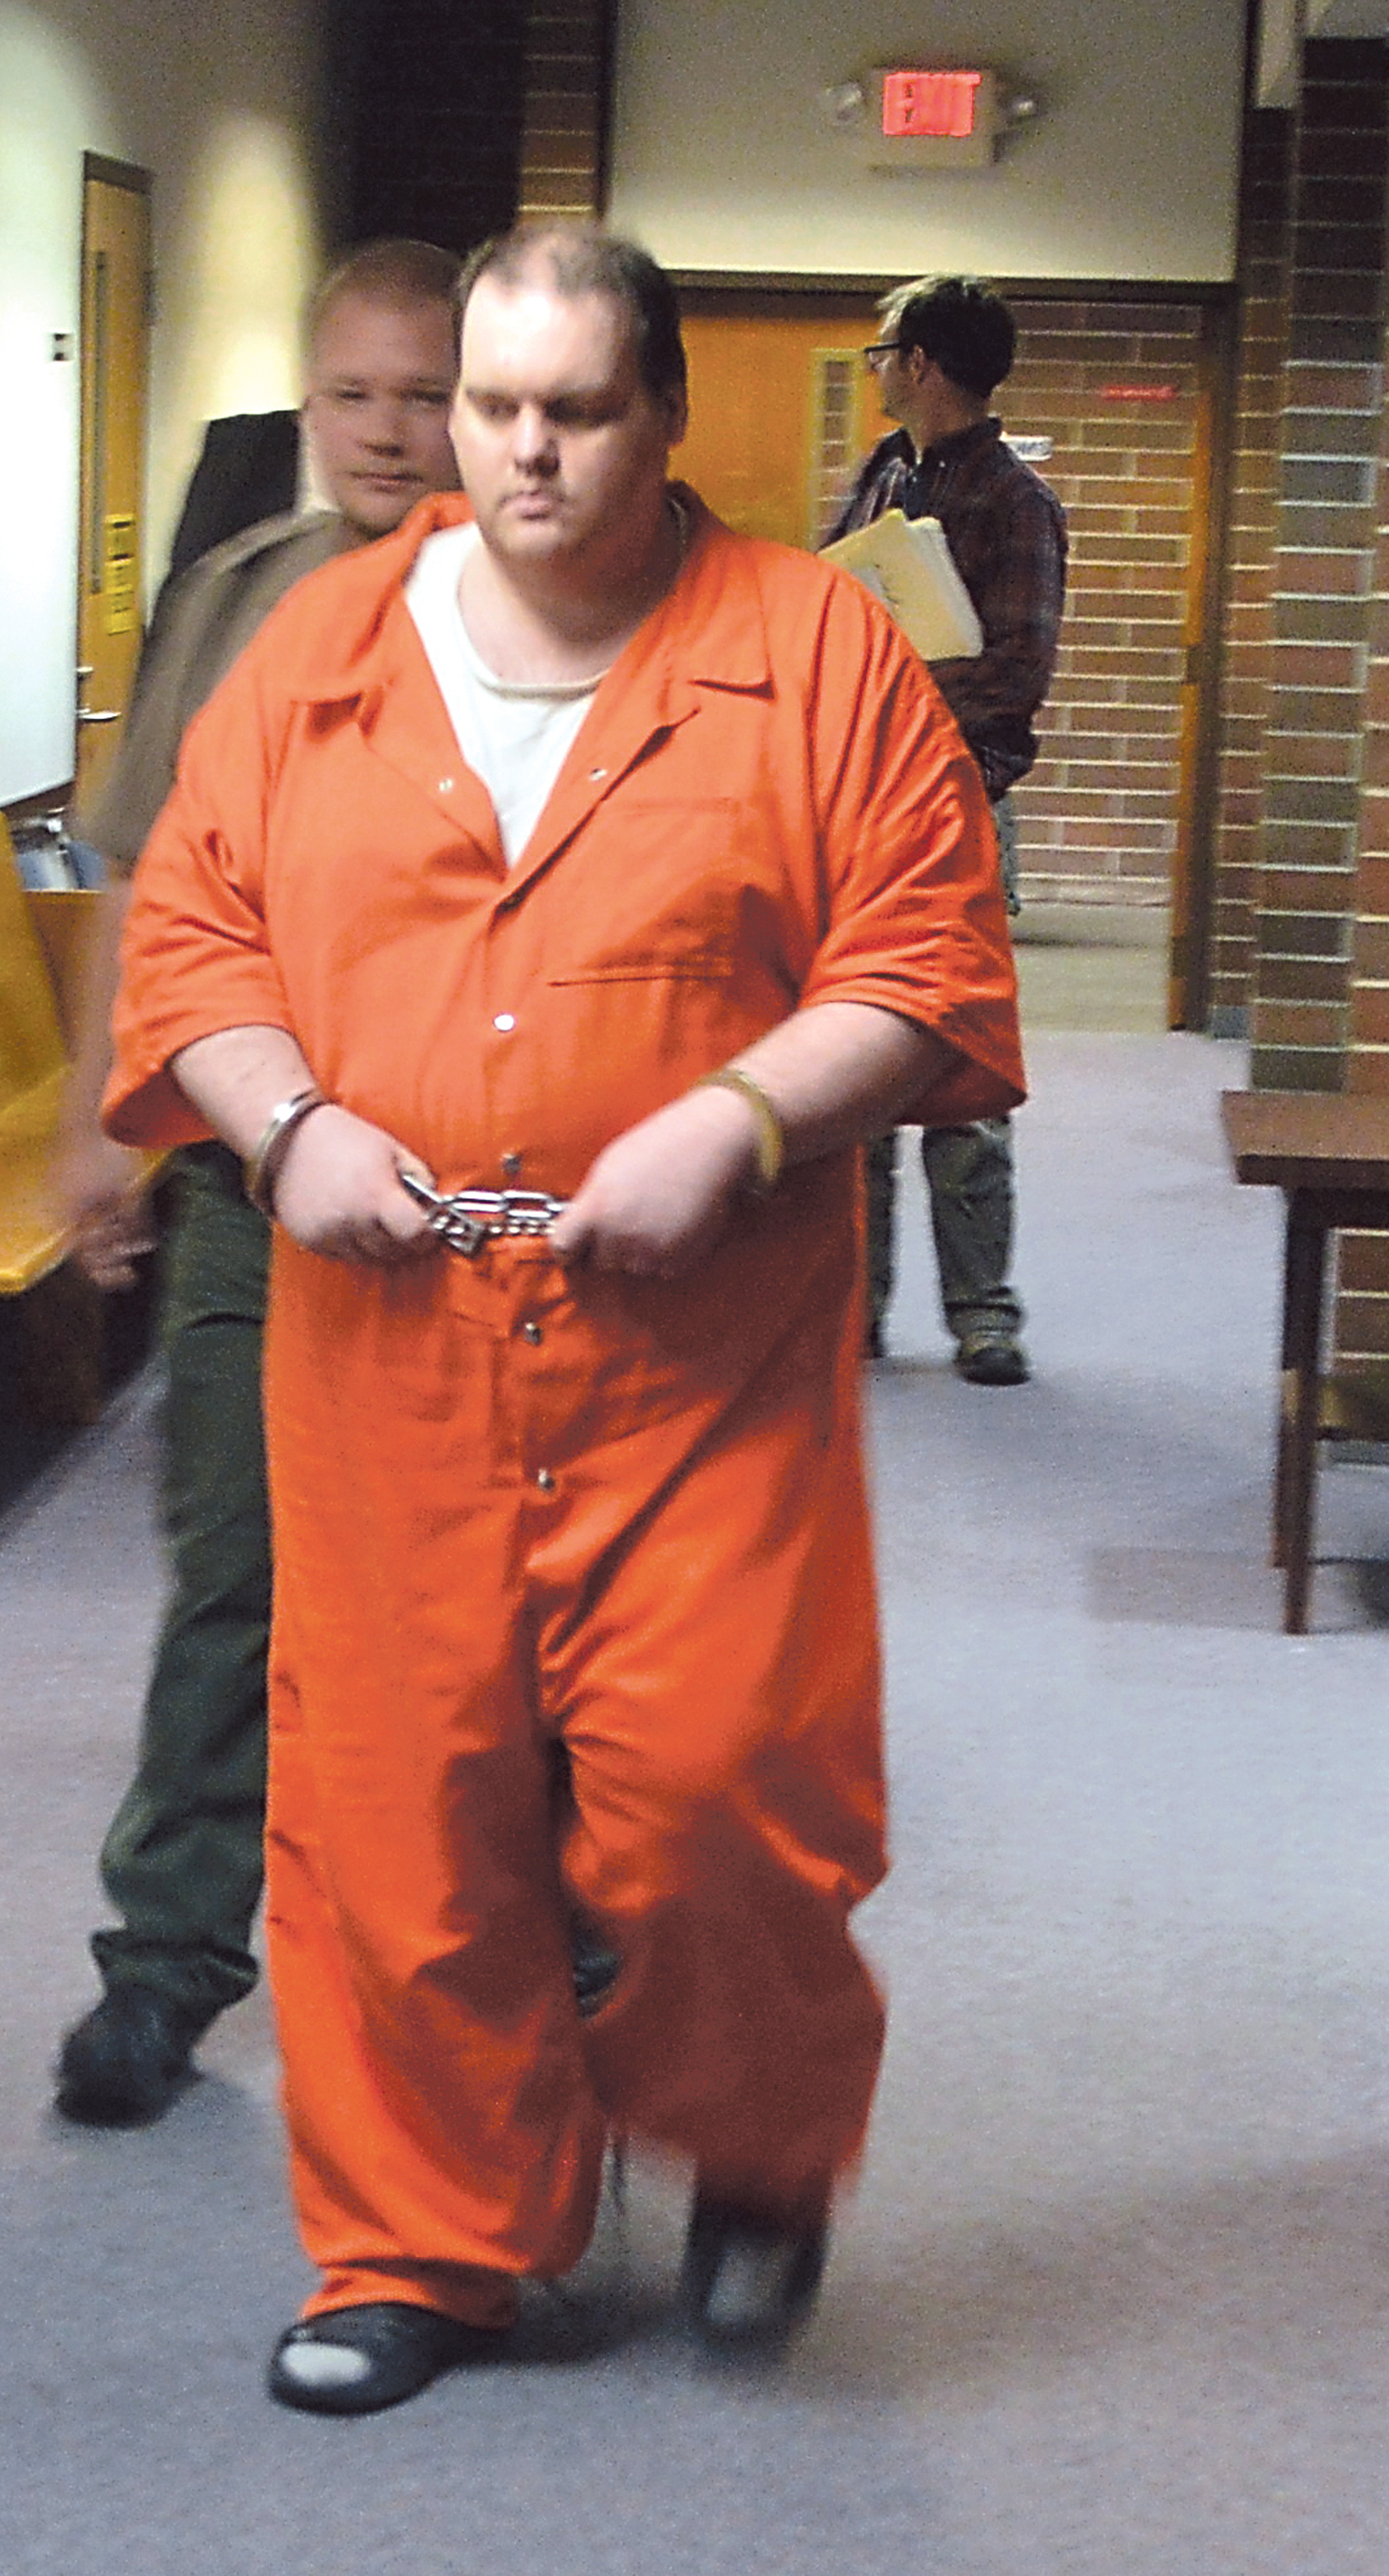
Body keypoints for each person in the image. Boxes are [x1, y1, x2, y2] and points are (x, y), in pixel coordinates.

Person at [104, 221, 1024, 2413]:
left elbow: (922, 958)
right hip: (388, 1358)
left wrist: (739, 1114)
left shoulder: (816, 655)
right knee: (399, 1823)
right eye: (491, 407)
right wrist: (289, 1123)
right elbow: (196, 943)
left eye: (574, 411)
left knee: (718, 1798)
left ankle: (759, 2149)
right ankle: (426, 2241)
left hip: (698, 1366)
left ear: (665, 416)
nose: (516, 453)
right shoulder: (320, 649)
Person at [51, 238, 462, 2127]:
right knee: (236, 1577)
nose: (391, 429)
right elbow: (125, 875)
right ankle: (167, 1960)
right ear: (316, 407)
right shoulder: (232, 598)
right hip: (251, 1190)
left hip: (480, 1205)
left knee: (493, 1603)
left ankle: (499, 1978)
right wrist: (94, 1120)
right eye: (355, 394)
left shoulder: (562, 609)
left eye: (426, 388)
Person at [822, 275, 1066, 1387]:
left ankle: (983, 1313)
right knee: (856, 1069)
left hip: (957, 802)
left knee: (962, 1075)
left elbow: (1014, 677)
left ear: (921, 362)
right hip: (854, 805)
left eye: (883, 352)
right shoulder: (882, 476)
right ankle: (854, 1312)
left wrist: (909, 705)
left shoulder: (1015, 502)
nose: (875, 369)